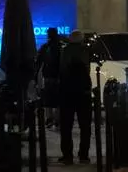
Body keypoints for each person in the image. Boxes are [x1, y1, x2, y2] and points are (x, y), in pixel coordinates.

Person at [57, 31, 92, 165]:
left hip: (67, 92)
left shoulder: (65, 51)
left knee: (66, 126)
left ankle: (67, 155)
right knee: (85, 126)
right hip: (83, 92)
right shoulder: (85, 50)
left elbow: (62, 70)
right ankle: (84, 155)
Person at [35, 28, 63, 129]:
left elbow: (38, 62)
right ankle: (57, 119)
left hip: (48, 77)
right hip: (59, 77)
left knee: (48, 100)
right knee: (59, 99)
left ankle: (49, 118)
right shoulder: (61, 47)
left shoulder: (45, 47)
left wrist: (35, 77)